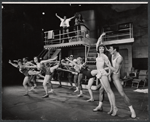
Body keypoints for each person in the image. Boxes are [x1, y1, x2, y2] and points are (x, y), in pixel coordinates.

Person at [105, 44, 136, 118]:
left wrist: (108, 66)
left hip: (116, 77)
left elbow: (115, 69)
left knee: (122, 94)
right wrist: (109, 75)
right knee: (102, 90)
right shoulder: (112, 54)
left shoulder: (119, 58)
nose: (109, 50)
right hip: (111, 76)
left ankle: (132, 110)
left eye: (111, 49)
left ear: (115, 49)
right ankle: (113, 108)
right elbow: (107, 50)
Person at [93, 32, 118, 116]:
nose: (101, 49)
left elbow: (109, 66)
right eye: (100, 48)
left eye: (102, 48)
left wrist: (109, 75)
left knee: (109, 91)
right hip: (99, 73)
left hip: (103, 74)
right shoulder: (98, 55)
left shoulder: (104, 56)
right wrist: (100, 36)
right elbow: (97, 43)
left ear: (104, 49)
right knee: (107, 92)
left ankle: (115, 108)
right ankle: (111, 108)